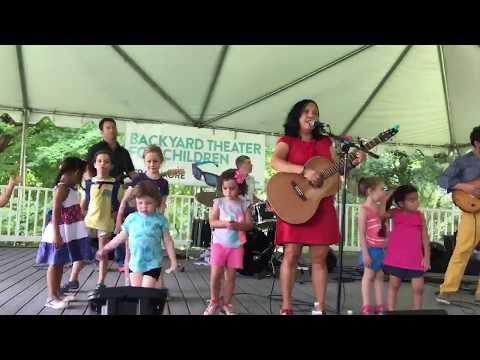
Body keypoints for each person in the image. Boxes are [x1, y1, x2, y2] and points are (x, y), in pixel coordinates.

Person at [270, 99, 365, 315]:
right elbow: (276, 162)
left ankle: (320, 308)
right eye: (306, 111)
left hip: (320, 205)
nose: (311, 115)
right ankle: (286, 306)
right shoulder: (287, 140)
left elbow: (335, 171)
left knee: (320, 259)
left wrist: (352, 162)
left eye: (315, 112)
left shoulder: (325, 143)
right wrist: (303, 171)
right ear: (297, 115)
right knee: (291, 254)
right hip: (294, 203)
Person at [36, 157, 93, 309]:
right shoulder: (62, 188)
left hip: (67, 232)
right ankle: (51, 297)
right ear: (75, 172)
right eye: (81, 174)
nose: (81, 177)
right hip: (58, 231)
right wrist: (56, 234)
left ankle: (58, 293)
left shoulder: (71, 188)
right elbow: (55, 213)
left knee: (60, 263)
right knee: (54, 264)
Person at [96, 181, 177, 288]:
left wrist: (173, 260)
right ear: (135, 202)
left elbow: (167, 241)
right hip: (135, 264)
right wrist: (105, 248)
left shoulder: (160, 220)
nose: (144, 206)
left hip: (153, 264)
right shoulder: (131, 219)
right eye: (140, 203)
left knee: (146, 291)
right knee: (137, 293)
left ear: (156, 202)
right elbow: (120, 237)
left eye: (148, 203)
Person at [85, 117, 136, 270]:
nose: (112, 130)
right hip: (98, 189)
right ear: (102, 131)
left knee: (120, 221)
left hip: (117, 188)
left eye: (113, 127)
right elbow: (87, 169)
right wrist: (90, 186)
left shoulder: (123, 152)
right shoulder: (95, 149)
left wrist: (142, 184)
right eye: (108, 128)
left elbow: (131, 172)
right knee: (96, 223)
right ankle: (96, 256)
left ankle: (121, 259)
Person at [115, 145, 170, 286]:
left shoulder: (164, 183)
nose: (152, 164)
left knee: (156, 255)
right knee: (130, 253)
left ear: (161, 162)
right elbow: (125, 200)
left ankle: (160, 286)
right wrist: (118, 221)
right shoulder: (138, 179)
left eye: (155, 161)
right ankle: (129, 283)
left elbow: (162, 204)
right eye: (149, 161)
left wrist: (158, 221)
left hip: (153, 225)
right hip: (134, 224)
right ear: (144, 162)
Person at [437, 126, 480, 304]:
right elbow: (442, 180)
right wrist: (466, 187)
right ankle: (446, 290)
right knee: (462, 250)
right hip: (472, 212)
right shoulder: (463, 162)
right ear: (477, 143)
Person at [203, 169, 253, 315]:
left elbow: (249, 225)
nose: (228, 191)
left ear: (240, 188)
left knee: (230, 276)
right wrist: (225, 224)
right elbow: (212, 222)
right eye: (225, 188)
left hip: (236, 246)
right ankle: (213, 301)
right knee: (215, 273)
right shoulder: (218, 202)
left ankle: (227, 303)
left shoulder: (244, 204)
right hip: (219, 244)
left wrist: (237, 226)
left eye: (232, 188)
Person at [383, 185, 431, 311]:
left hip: (415, 258)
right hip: (396, 258)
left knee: (419, 288)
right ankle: (391, 311)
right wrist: (389, 194)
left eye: (417, 199)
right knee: (394, 286)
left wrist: (427, 257)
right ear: (401, 203)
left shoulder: (420, 216)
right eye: (412, 200)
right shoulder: (394, 212)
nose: (416, 202)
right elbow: (380, 213)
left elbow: (425, 238)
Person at [83, 150, 124, 290]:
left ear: (111, 166)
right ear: (94, 164)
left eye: (106, 161)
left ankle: (101, 282)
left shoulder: (116, 185)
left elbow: (121, 204)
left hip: (106, 222)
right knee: (81, 251)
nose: (103, 164)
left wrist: (118, 219)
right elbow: (84, 204)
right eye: (99, 161)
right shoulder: (89, 183)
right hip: (89, 221)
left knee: (103, 252)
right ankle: (73, 278)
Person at [357, 177, 389, 315]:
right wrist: (365, 253)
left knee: (379, 276)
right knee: (368, 276)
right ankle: (366, 305)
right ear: (370, 191)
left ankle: (380, 304)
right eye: (382, 189)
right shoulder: (364, 210)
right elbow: (362, 234)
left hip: (380, 249)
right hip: (371, 249)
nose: (383, 191)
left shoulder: (378, 207)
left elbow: (384, 212)